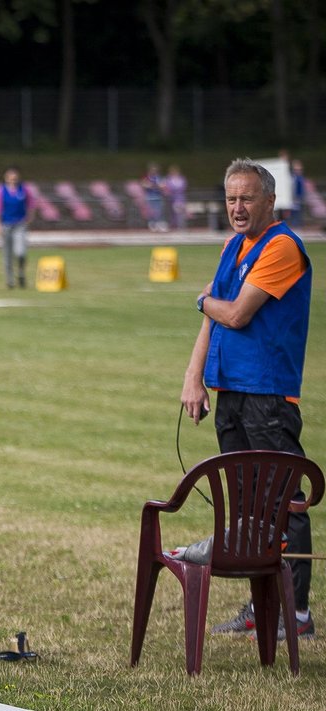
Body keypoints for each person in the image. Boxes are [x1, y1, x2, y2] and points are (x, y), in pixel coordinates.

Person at [181, 158, 315, 641]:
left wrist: (201, 299)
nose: (237, 207)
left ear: (269, 201)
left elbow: (233, 314)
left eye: (247, 198)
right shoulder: (233, 244)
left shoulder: (282, 246)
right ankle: (263, 607)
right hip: (231, 389)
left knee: (284, 503)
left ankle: (295, 614)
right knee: (247, 507)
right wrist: (194, 376)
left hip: (268, 394)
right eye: (231, 198)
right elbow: (213, 318)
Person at [0, 166, 35, 289]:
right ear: (6, 179)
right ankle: (10, 280)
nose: (13, 180)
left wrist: (30, 218)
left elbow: (31, 205)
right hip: (6, 225)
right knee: (7, 254)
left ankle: (21, 272)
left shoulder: (24, 189)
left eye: (15, 178)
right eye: (11, 178)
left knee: (21, 252)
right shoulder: (0, 191)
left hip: (20, 224)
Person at [141, 162, 167, 232]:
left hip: (158, 197)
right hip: (150, 197)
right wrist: (151, 185)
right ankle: (152, 225)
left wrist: (158, 186)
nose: (154, 171)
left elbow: (163, 185)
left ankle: (160, 225)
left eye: (155, 169)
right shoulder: (147, 177)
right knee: (151, 212)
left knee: (159, 211)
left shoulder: (159, 177)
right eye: (152, 169)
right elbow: (143, 184)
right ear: (150, 170)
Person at [165, 165, 187, 231]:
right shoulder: (168, 179)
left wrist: (175, 189)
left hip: (180, 198)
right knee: (173, 213)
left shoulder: (181, 178)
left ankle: (180, 226)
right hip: (171, 198)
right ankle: (174, 225)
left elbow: (183, 186)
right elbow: (167, 187)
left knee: (180, 212)